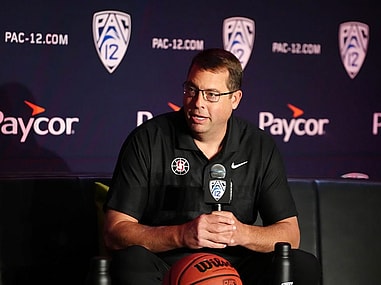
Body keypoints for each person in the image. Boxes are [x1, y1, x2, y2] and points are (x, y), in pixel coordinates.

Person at [103, 48, 321, 285]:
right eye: (192, 90)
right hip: (167, 265)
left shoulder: (259, 146)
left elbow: (290, 233)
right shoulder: (148, 139)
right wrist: (181, 234)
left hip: (237, 269)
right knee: (130, 261)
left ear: (235, 99)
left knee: (300, 265)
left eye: (211, 95)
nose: (198, 103)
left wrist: (241, 232)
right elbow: (115, 231)